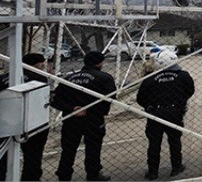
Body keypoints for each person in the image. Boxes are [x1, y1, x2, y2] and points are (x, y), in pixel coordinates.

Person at [52, 51, 116, 181]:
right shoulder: (104, 77)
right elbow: (110, 98)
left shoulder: (68, 78)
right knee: (93, 148)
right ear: (100, 63)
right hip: (94, 119)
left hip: (71, 119)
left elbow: (55, 99)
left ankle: (64, 175)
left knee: (68, 149)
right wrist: (89, 109)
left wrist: (72, 109)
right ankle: (93, 174)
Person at [136, 51, 195, 180]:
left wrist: (149, 106)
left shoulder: (150, 78)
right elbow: (190, 90)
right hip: (175, 112)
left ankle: (153, 172)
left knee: (154, 143)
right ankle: (176, 167)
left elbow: (140, 98)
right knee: (174, 141)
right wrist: (179, 102)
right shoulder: (183, 76)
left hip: (155, 113)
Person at [0, 53, 51, 181]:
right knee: (33, 156)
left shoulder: (4, 77)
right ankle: (30, 178)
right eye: (42, 62)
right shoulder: (39, 77)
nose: (44, 65)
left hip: (6, 120)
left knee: (4, 154)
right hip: (32, 121)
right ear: (37, 63)